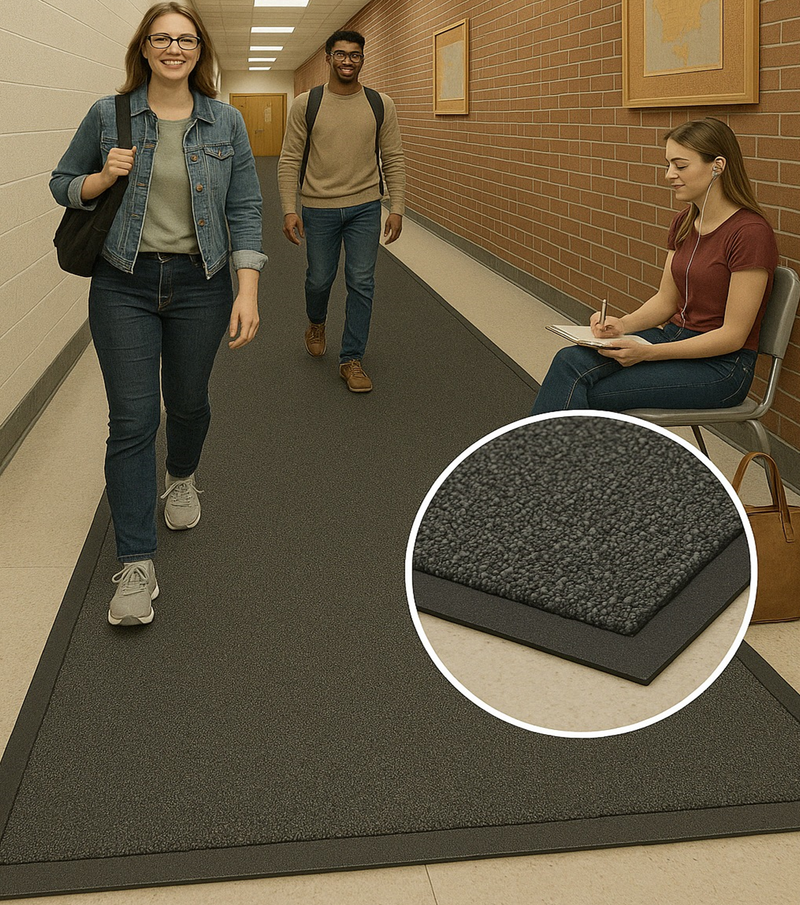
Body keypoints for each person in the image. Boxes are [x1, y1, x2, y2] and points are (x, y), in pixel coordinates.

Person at [50, 2, 267, 626]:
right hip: (124, 282)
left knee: (190, 402)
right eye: (161, 38)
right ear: (143, 49)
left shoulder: (225, 122)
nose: (174, 48)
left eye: (186, 39)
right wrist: (98, 179)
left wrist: (246, 290)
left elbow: (247, 207)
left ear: (200, 51)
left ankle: (183, 474)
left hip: (203, 283)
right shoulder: (109, 115)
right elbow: (62, 182)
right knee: (134, 418)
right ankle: (137, 563)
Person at [531, 118, 778, 414]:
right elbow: (666, 300)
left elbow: (733, 335)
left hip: (722, 367)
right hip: (673, 336)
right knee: (568, 360)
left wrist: (648, 353)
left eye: (680, 165)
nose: (669, 175)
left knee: (591, 394)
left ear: (718, 165)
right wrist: (621, 325)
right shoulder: (685, 222)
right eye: (669, 164)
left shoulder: (750, 232)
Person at [277, 30, 406, 393]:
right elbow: (288, 159)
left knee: (362, 282)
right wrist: (290, 208)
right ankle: (316, 322)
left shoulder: (381, 104)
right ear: (328, 57)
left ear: (363, 59)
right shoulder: (308, 103)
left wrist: (396, 206)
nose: (348, 61)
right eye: (341, 54)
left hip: (366, 207)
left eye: (355, 55)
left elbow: (393, 157)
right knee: (319, 278)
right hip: (319, 207)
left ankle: (351, 358)